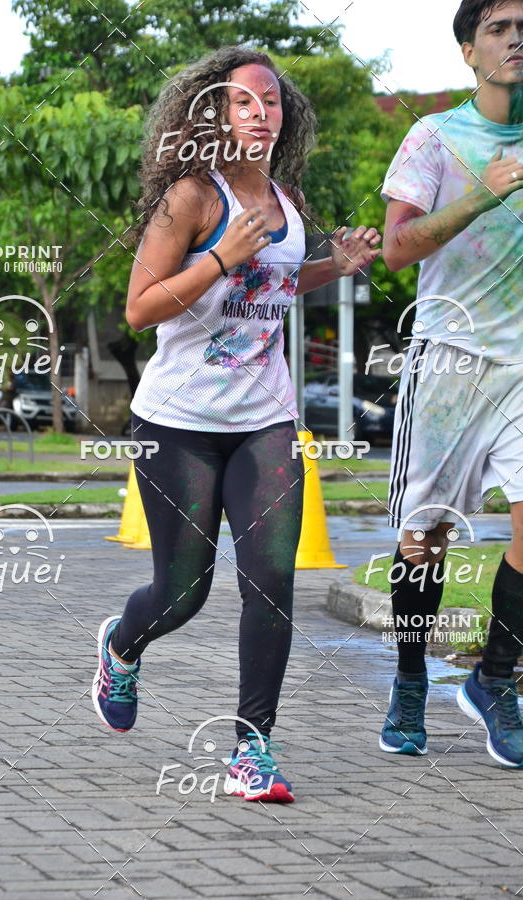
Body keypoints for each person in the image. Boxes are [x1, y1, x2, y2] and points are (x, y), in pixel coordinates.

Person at [92, 45, 381, 802]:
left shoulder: (284, 202)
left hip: (266, 420)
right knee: (183, 593)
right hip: (178, 420)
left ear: (285, 117)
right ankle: (123, 646)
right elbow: (141, 308)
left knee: (273, 583)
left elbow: (273, 284)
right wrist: (220, 255)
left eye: (272, 102)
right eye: (244, 102)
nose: (260, 113)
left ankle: (253, 750)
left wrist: (333, 266)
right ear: (215, 112)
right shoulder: (189, 198)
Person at [379, 0, 523, 766]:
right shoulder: (433, 138)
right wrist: (482, 195)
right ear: (470, 51)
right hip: (448, 365)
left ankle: (495, 680)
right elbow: (398, 250)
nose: (517, 39)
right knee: (424, 541)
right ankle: (408, 680)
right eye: (500, 28)